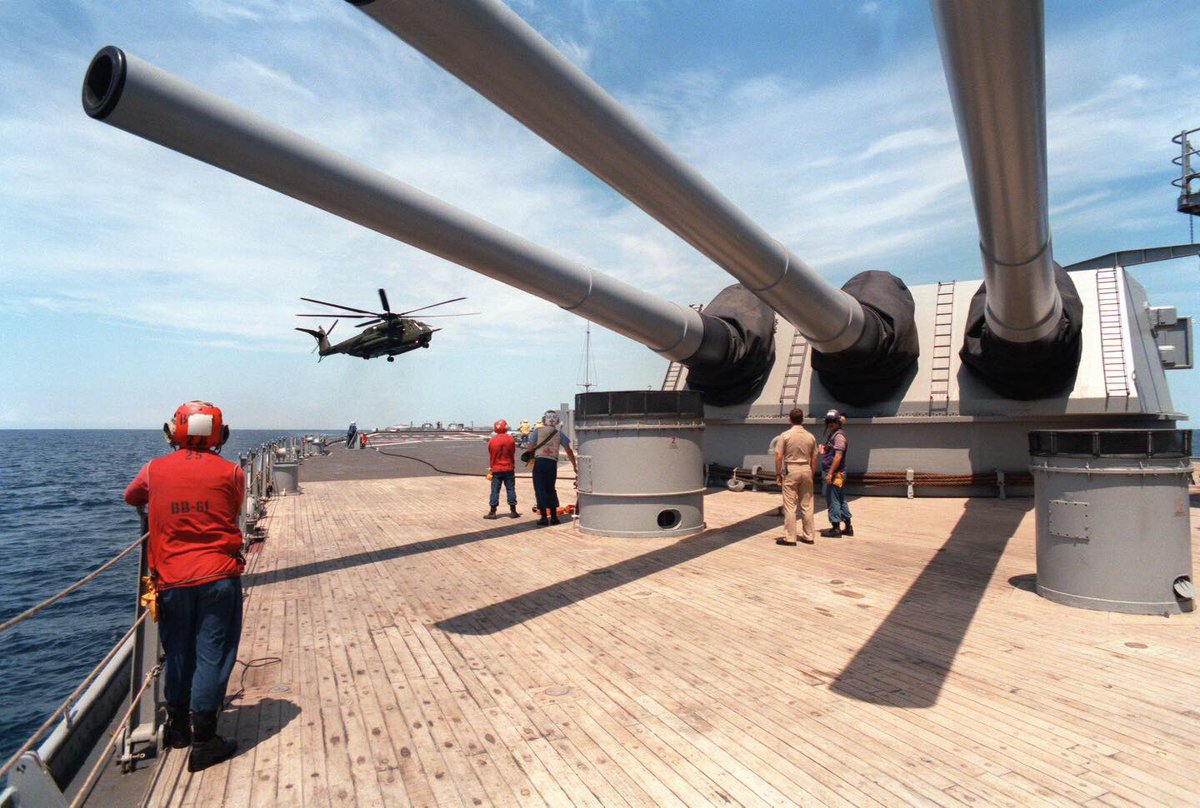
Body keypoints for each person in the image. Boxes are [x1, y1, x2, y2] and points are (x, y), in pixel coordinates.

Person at [123, 401, 245, 773]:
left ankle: (178, 729)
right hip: (218, 577)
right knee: (211, 655)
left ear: (174, 432)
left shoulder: (154, 469)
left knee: (176, 652)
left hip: (172, 580)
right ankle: (204, 741)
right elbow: (232, 508)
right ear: (220, 435)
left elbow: (131, 497)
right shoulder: (233, 472)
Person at [774, 408, 818, 545]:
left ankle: (790, 538)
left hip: (791, 469)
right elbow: (814, 458)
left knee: (790, 505)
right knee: (807, 505)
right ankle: (809, 536)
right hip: (806, 468)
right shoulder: (810, 436)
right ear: (803, 419)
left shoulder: (785, 435)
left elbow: (778, 456)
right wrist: (811, 474)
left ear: (790, 419)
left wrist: (778, 474)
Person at [526, 409, 577, 526]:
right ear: (557, 421)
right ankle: (554, 517)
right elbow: (569, 450)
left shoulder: (537, 431)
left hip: (539, 462)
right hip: (552, 463)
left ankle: (544, 518)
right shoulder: (559, 434)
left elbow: (529, 448)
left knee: (540, 489)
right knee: (551, 488)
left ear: (544, 420)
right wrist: (574, 465)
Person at [818, 409, 854, 537]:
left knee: (833, 499)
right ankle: (848, 527)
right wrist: (824, 449)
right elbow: (832, 451)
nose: (830, 424)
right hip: (837, 473)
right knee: (840, 498)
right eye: (828, 422)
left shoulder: (838, 436)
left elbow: (838, 456)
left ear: (838, 422)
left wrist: (830, 473)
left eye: (832, 421)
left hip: (835, 474)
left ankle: (835, 528)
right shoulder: (833, 435)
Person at [485, 419, 519, 519]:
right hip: (509, 468)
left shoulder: (492, 441)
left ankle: (492, 512)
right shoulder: (511, 440)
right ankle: (513, 511)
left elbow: (491, 453)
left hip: (496, 469)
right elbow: (512, 452)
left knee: (495, 490)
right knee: (510, 489)